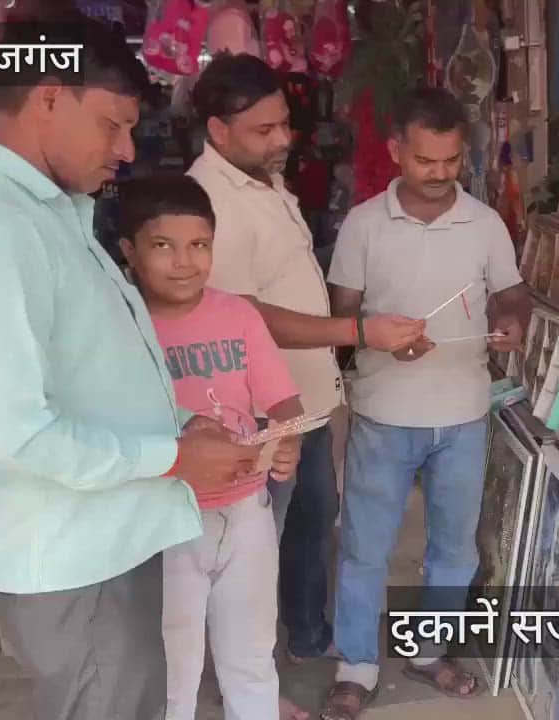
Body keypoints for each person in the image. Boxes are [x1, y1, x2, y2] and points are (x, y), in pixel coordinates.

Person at [0, 17, 294, 720]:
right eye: (111, 125)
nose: (125, 151)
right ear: (50, 99)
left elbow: (91, 372)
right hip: (75, 559)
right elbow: (17, 436)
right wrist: (173, 457)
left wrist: (184, 425)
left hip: (110, 538)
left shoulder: (57, 215)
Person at [186, 53, 426, 672]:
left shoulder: (263, 178)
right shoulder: (213, 199)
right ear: (218, 131)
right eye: (263, 130)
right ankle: (253, 670)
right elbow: (242, 315)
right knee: (260, 539)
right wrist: (355, 330)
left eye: (283, 124)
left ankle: (306, 636)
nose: (282, 139)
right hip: (260, 411)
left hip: (305, 398)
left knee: (310, 525)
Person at [322, 87, 530, 720]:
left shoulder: (485, 222)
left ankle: (427, 649)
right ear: (395, 153)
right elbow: (341, 317)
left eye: (451, 161)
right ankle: (355, 665)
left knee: (455, 548)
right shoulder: (363, 223)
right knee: (364, 545)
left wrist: (510, 322)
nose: (440, 175)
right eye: (424, 161)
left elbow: (512, 294)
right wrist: (380, 339)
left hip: (464, 412)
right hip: (385, 412)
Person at [118, 175, 310, 720]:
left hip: (248, 512)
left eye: (199, 245)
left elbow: (283, 402)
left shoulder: (238, 315)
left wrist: (287, 436)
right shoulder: (123, 327)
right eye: (163, 246)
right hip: (164, 519)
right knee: (173, 671)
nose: (184, 261)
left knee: (251, 657)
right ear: (130, 251)